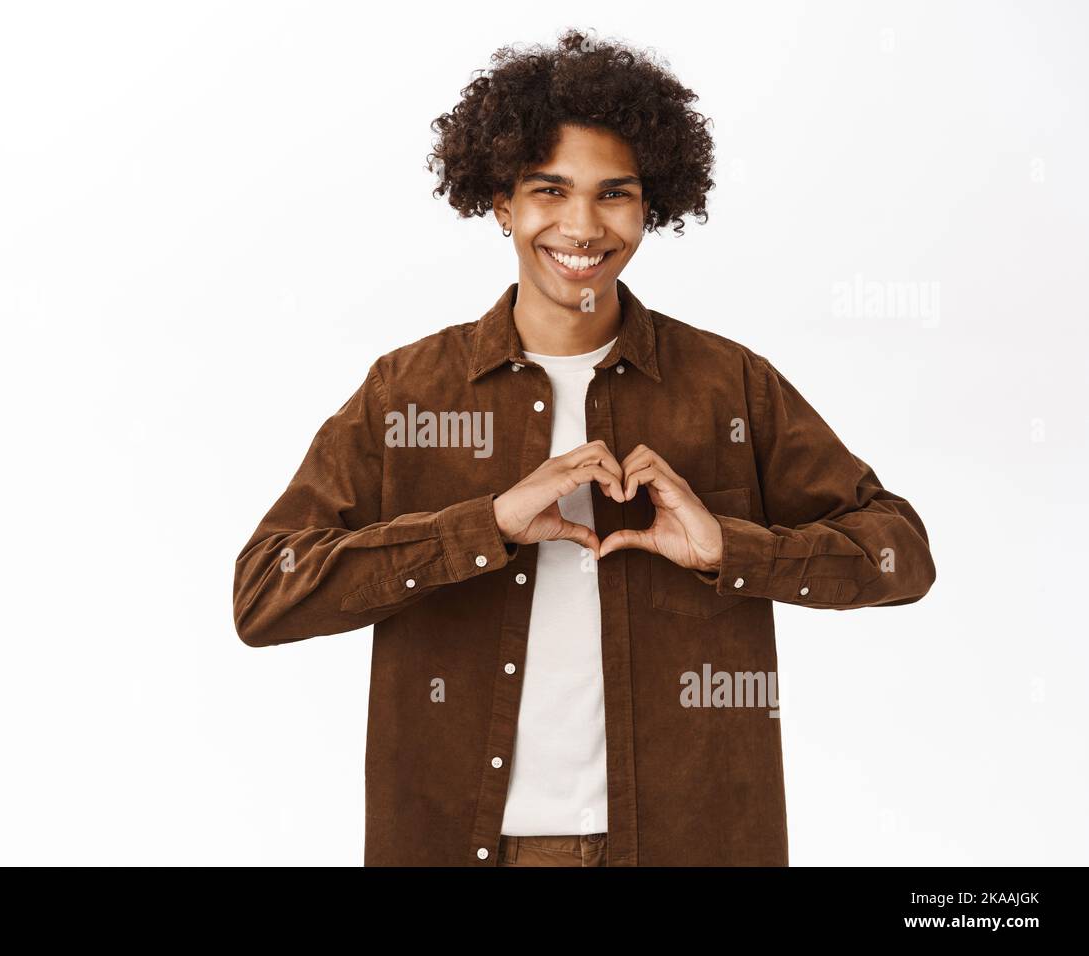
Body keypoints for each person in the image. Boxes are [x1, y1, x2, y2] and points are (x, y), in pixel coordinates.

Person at [233, 28, 935, 867]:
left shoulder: (728, 384)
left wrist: (730, 548)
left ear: (651, 206)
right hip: (467, 845)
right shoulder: (410, 391)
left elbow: (901, 556)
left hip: (687, 845)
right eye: (549, 190)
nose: (581, 225)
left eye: (615, 193)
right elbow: (265, 593)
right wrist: (482, 527)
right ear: (501, 202)